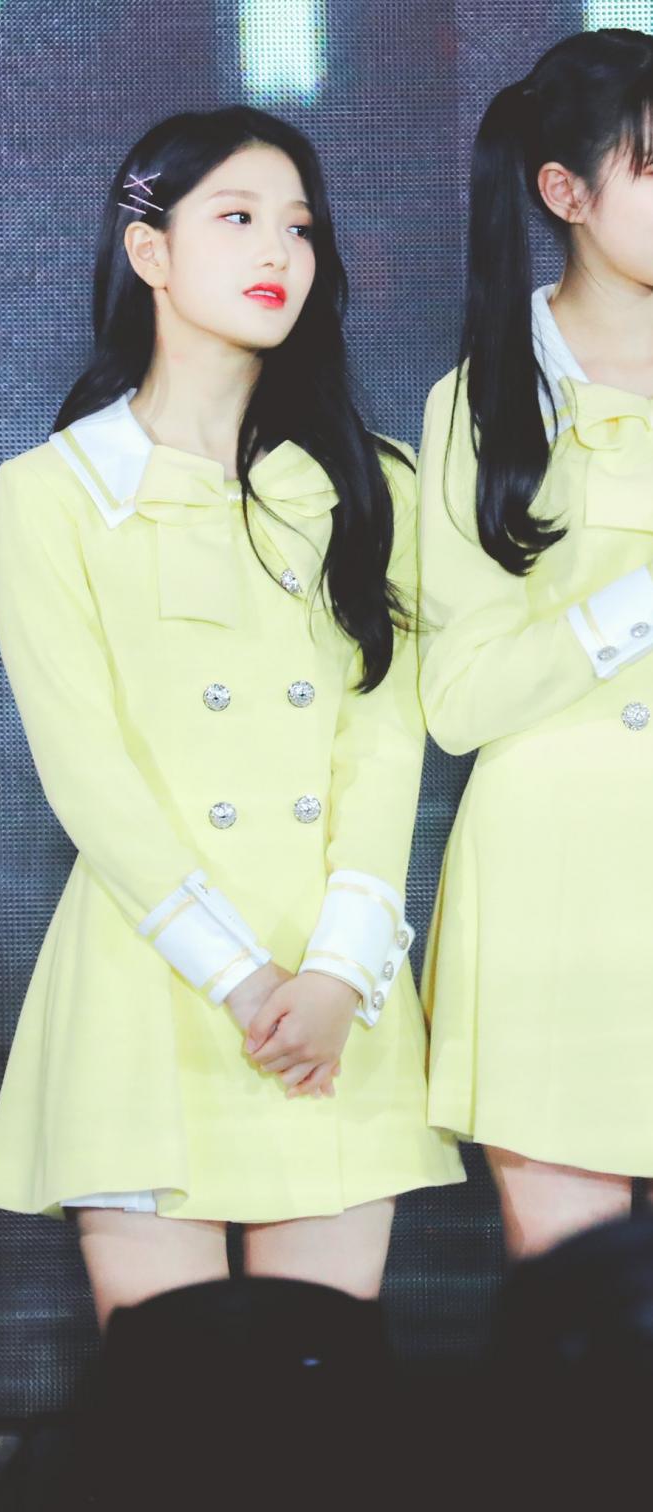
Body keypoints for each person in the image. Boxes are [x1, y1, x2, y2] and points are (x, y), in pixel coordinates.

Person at [0, 105, 464, 1332]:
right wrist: (243, 982)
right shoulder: (53, 493)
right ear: (148, 250)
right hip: (155, 980)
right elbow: (85, 769)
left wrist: (335, 976)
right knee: (168, 1407)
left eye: (298, 227)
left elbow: (381, 746)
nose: (277, 252)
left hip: (334, 991)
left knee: (319, 1396)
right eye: (236, 218)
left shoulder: (373, 484)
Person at [417, 29, 653, 1261]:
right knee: (581, 1323)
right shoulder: (483, 400)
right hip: (555, 878)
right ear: (564, 191)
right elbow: (457, 698)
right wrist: (633, 602)